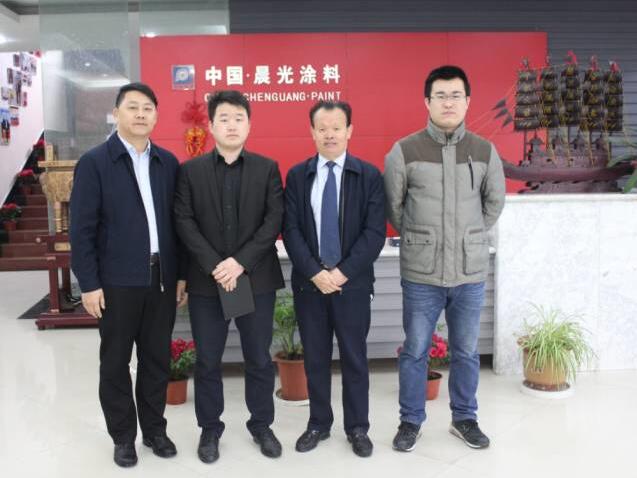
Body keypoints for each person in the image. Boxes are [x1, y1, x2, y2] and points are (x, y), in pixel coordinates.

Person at [384, 65, 505, 452]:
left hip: (469, 272)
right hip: (422, 273)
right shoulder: (405, 150)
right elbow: (395, 207)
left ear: (467, 101)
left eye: (455, 96)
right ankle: (410, 421)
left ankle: (464, 418)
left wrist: (468, 236)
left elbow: (493, 203)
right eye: (440, 96)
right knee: (415, 350)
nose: (448, 103)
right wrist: (424, 239)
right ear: (427, 101)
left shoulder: (484, 151)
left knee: (466, 351)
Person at [70, 82, 187, 468]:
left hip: (161, 278)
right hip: (116, 282)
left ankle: (154, 430)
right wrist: (89, 283)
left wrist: (181, 275)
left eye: (147, 108)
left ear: (156, 116)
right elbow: (81, 230)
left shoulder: (167, 163)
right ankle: (123, 437)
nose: (140, 114)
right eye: (132, 107)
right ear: (116, 113)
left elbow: (178, 225)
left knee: (156, 360)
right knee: (115, 362)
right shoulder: (95, 162)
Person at [174, 90, 285, 463]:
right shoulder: (190, 171)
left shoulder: (267, 168)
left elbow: (273, 220)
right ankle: (210, 429)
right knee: (208, 360)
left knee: (258, 357)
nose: (232, 125)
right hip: (207, 282)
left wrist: (239, 263)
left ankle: (261, 425)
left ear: (249, 124)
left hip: (256, 279)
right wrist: (215, 265)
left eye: (239, 118)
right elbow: (184, 221)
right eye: (224, 118)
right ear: (211, 125)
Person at [282, 100, 386, 457]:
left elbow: (374, 233)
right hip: (309, 285)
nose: (329, 134)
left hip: (352, 285)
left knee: (355, 359)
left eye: (336, 127)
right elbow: (291, 230)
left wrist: (340, 273)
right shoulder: (298, 175)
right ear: (312, 132)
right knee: (315, 359)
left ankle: (357, 428)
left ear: (349, 131)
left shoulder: (368, 175)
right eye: (322, 128)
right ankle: (318, 424)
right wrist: (315, 272)